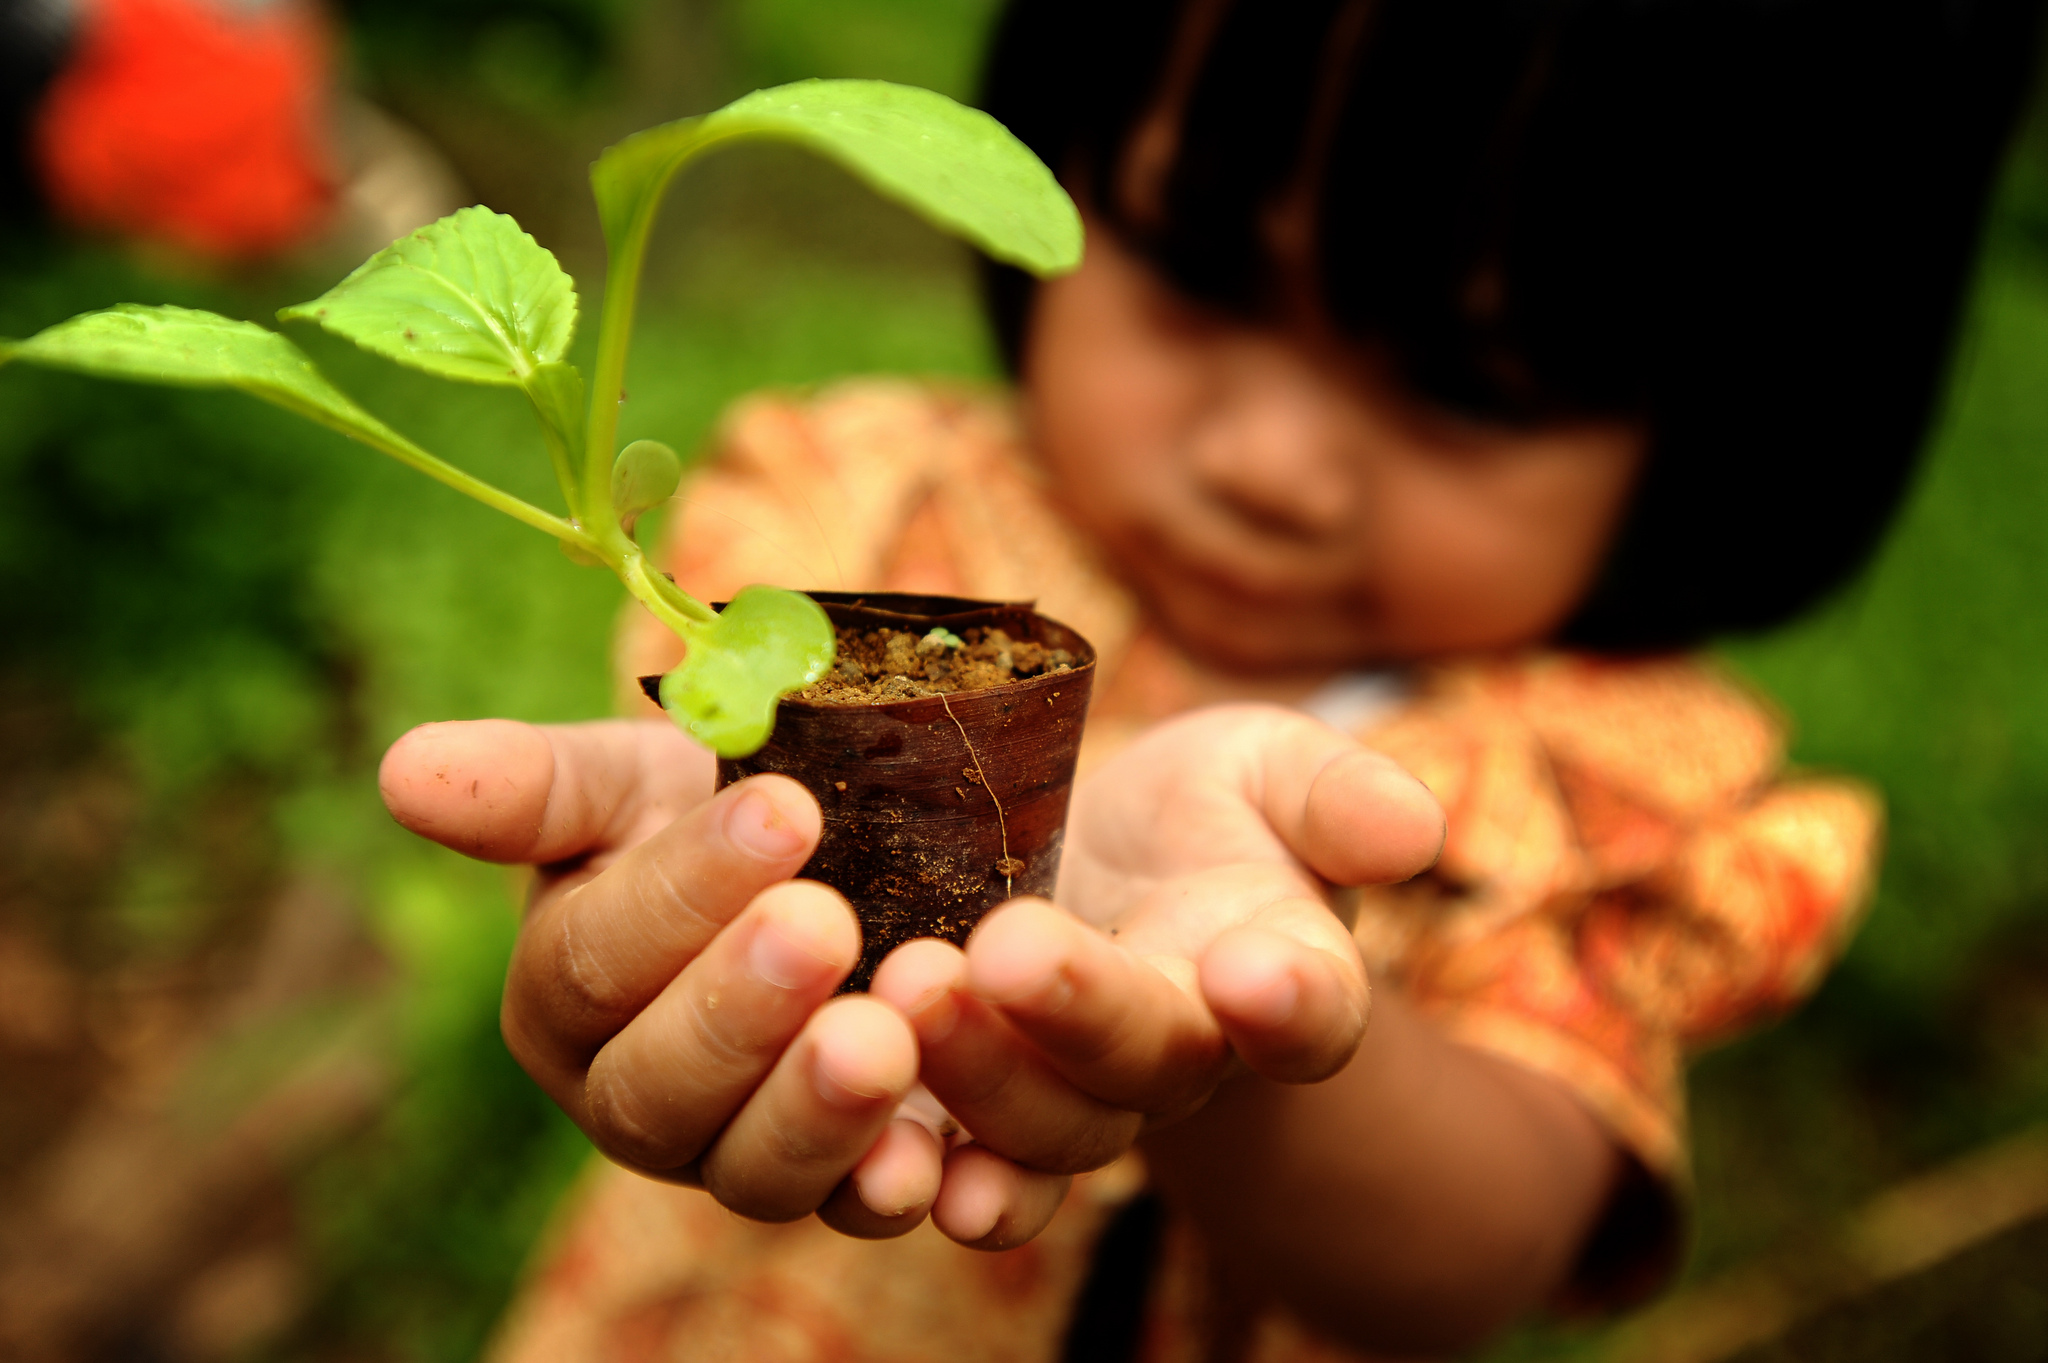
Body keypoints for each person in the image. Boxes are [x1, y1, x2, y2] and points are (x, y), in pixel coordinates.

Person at [375, 1, 2045, 1359]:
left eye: (1470, 387)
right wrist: (644, 928)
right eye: (1195, 266)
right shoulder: (871, 526)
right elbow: (691, 787)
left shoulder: (1603, 780)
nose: (1269, 462)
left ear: (1734, 417)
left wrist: (1206, 1032)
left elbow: (1465, 1259)